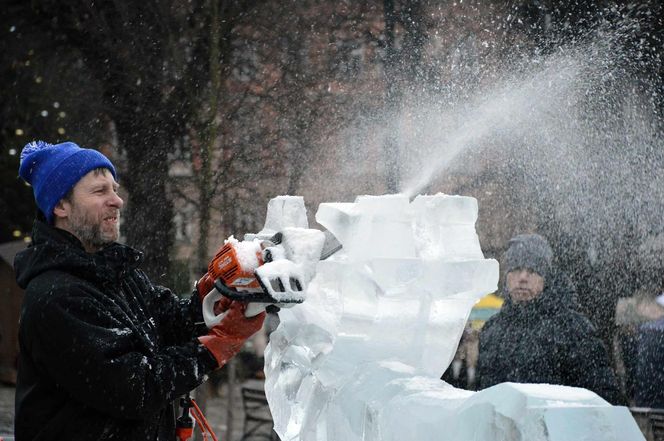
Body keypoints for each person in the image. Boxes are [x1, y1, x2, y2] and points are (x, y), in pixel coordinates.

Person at [13, 140, 266, 440]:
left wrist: (213, 292)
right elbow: (134, 388)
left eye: (115, 189)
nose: (117, 201)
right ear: (60, 206)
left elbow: (172, 321)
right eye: (99, 191)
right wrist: (215, 347)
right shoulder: (56, 296)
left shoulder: (117, 274)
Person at [477, 234, 623, 404]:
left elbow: (603, 397)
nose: (523, 277)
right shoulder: (492, 330)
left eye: (532, 270)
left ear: (545, 278)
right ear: (507, 276)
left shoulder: (573, 329)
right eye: (516, 269)